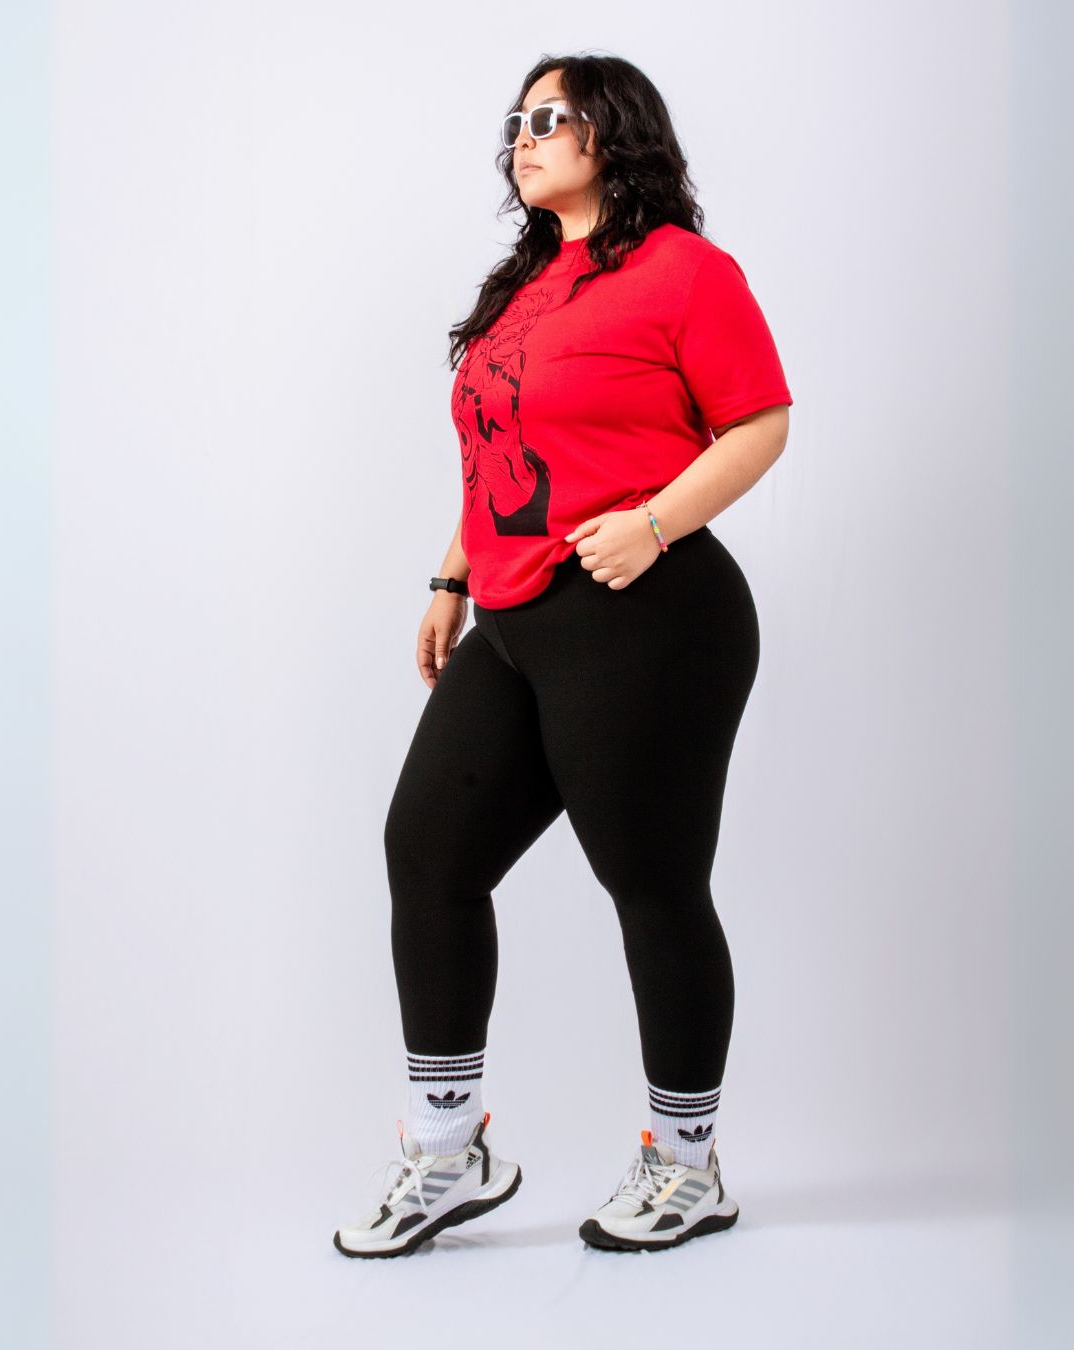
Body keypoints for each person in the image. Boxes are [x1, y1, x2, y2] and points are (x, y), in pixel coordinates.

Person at [334, 51, 793, 1258]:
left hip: (649, 612)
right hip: (513, 614)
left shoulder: (682, 270)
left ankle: (687, 1168)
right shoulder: (528, 283)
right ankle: (449, 1153)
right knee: (427, 852)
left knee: (651, 884)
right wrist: (452, 575)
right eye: (517, 121)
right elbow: (501, 447)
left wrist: (656, 523)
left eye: (551, 117)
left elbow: (760, 422)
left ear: (613, 130)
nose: (524, 137)